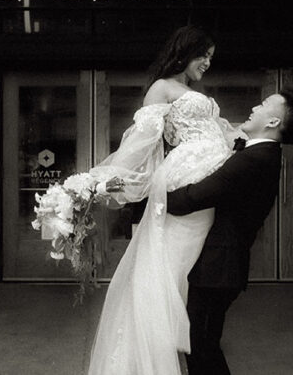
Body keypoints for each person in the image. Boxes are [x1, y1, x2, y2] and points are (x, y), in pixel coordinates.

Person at [86, 25, 238, 375]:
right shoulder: (163, 88)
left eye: (211, 58)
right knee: (168, 263)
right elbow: (142, 139)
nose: (207, 64)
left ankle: (182, 335)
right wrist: (103, 178)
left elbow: (221, 130)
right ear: (185, 52)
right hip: (186, 177)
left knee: (184, 265)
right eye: (203, 56)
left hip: (205, 177)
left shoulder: (187, 90)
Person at [166, 89, 293, 375]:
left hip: (218, 268)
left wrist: (148, 198)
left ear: (273, 122)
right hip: (220, 267)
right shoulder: (257, 153)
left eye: (264, 105)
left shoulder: (256, 159)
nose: (255, 106)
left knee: (201, 346)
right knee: (202, 345)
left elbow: (195, 197)